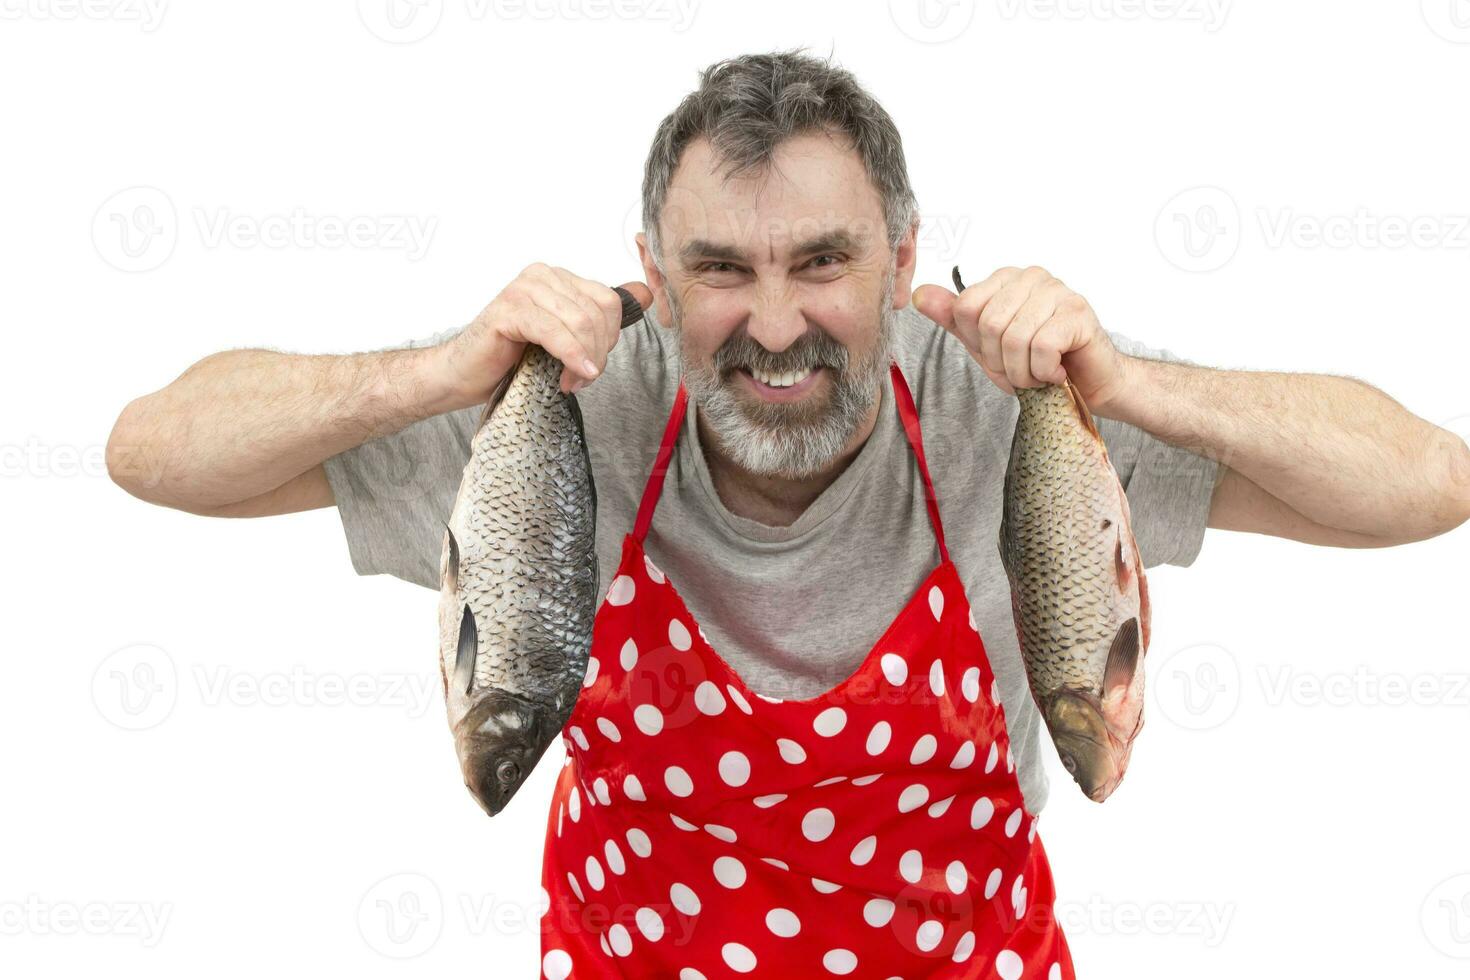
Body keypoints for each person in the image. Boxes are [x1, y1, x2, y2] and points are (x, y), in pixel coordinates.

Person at [107, 48, 1469, 979]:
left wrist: (1128, 383)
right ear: (650, 267)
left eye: (822, 261)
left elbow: (1426, 484)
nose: (773, 325)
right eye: (718, 268)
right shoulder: (568, 406)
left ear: (902, 258)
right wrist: (440, 369)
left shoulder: (1006, 406)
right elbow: (152, 453)